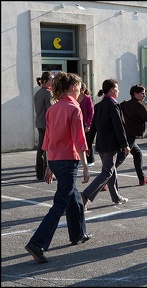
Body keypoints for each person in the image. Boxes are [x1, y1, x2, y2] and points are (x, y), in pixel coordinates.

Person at [25, 72, 91, 264]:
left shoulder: (53, 109)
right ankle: (37, 242)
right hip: (67, 160)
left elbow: (47, 139)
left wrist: (48, 165)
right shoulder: (73, 107)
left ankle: (78, 233)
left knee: (74, 197)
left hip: (55, 159)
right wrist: (86, 166)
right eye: (79, 87)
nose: (80, 91)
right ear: (72, 88)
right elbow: (80, 140)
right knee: (61, 202)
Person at [81, 79, 131, 212]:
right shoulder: (113, 105)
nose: (119, 91)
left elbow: (92, 128)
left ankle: (116, 197)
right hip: (110, 145)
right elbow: (118, 126)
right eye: (117, 88)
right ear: (112, 90)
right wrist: (125, 144)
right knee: (107, 171)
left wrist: (88, 144)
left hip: (101, 144)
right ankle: (85, 196)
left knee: (111, 170)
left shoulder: (98, 106)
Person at [115, 84, 147, 186]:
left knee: (137, 153)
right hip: (130, 134)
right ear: (135, 94)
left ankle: (142, 178)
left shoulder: (124, 104)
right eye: (142, 93)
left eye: (145, 93)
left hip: (123, 133)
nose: (144, 95)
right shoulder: (139, 105)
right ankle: (104, 180)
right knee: (120, 158)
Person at [33, 71, 54, 180]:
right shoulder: (48, 93)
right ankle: (47, 172)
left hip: (39, 123)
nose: (53, 81)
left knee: (41, 148)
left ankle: (39, 173)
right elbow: (51, 111)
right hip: (47, 124)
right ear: (45, 81)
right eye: (51, 79)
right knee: (48, 149)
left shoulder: (37, 93)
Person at [78, 82, 95, 166]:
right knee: (80, 141)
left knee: (88, 142)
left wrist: (88, 124)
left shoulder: (87, 98)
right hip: (78, 123)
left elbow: (91, 112)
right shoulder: (75, 98)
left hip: (86, 123)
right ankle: (81, 159)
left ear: (83, 90)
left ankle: (90, 160)